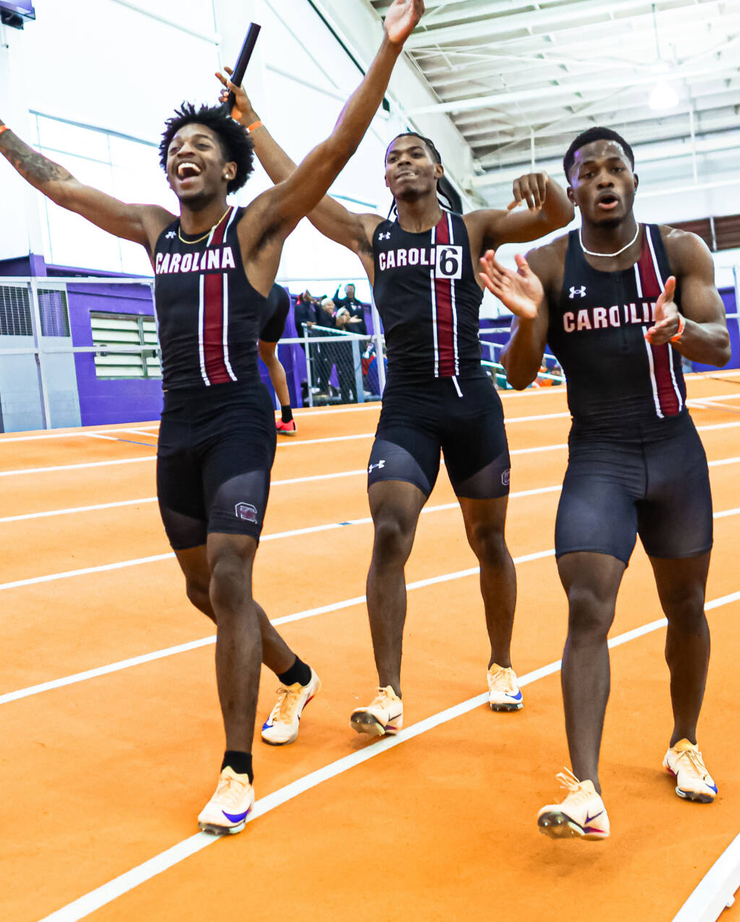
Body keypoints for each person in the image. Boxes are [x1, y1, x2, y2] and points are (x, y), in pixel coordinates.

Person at [0, 0, 425, 834]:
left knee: (235, 573)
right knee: (204, 590)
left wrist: (387, 47)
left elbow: (333, 148)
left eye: (205, 146)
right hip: (177, 429)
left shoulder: (257, 228)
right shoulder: (152, 229)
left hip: (240, 420)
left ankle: (237, 769)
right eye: (177, 147)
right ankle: (295, 673)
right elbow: (62, 186)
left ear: (229, 167)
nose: (187, 154)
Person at [220, 74, 574, 741]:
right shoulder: (368, 234)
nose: (402, 163)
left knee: (488, 539)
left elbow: (556, 217)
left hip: (472, 404)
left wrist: (545, 189)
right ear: (385, 180)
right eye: (392, 158)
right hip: (407, 408)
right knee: (389, 531)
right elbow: (302, 187)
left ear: (438, 170)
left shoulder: (474, 228)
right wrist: (255, 120)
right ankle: (388, 691)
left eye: (414, 154)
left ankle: (501, 663)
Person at [476, 125, 731, 841]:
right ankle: (585, 788)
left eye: (616, 166)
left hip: (674, 453)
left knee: (686, 608)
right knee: (588, 606)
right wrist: (529, 323)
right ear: (574, 189)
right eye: (588, 172)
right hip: (599, 458)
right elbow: (521, 374)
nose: (604, 179)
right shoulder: (548, 265)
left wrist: (680, 328)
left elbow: (721, 342)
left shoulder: (679, 252)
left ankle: (684, 741)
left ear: (635, 179)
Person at [259, 283, 297, 434]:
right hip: (278, 294)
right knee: (269, 355)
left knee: (237, 356)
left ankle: (247, 419)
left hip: (257, 292)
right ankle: (288, 419)